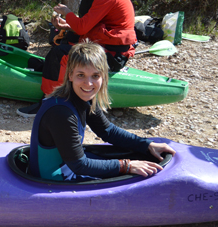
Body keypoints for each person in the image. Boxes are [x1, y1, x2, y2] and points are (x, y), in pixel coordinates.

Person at [29, 42, 175, 182]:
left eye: (95, 76)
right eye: (81, 75)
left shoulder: (84, 97)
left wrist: (146, 145)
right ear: (70, 75)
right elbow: (79, 165)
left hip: (68, 166)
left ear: (103, 77)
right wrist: (127, 166)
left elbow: (107, 130)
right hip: (55, 178)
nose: (89, 83)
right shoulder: (61, 113)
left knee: (137, 154)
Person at [17, 0, 136, 117]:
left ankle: (48, 102)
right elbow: (89, 24)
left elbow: (82, 28)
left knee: (59, 54)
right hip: (112, 50)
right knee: (67, 41)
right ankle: (49, 71)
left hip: (112, 56)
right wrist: (66, 26)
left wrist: (67, 12)